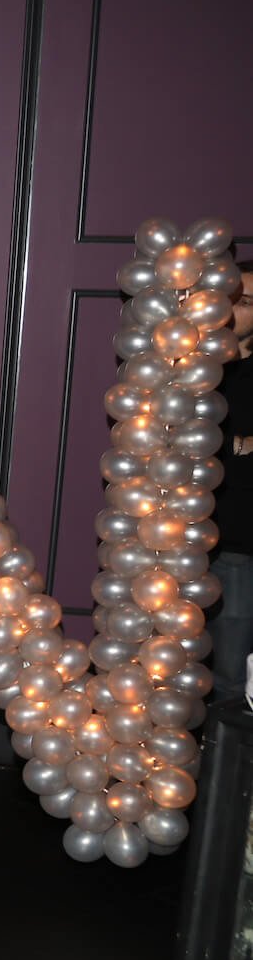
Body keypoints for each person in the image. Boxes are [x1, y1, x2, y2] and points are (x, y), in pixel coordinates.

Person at [213, 261, 253, 705]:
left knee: (229, 672)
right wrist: (238, 445)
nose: (230, 310)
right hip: (178, 541)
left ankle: (227, 773)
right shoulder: (199, 367)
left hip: (239, 542)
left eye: (243, 302)